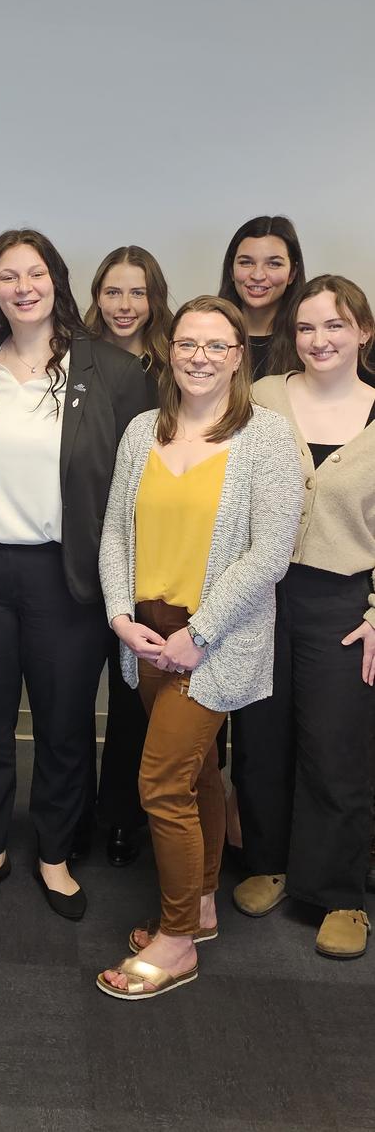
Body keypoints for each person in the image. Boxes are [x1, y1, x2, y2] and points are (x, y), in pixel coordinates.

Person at [0, 229, 148, 920]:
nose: (22, 287)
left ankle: (54, 854)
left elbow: (139, 485)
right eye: (7, 276)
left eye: (34, 273)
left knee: (62, 722)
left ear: (56, 279)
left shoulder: (110, 371)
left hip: (64, 574)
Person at [96, 296, 301, 998]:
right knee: (200, 773)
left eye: (218, 346)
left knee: (160, 782)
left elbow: (270, 553)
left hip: (212, 640)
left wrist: (199, 634)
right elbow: (115, 532)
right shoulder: (140, 432)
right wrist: (121, 616)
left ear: (240, 356)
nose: (201, 357)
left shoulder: (266, 437)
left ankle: (178, 937)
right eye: (188, 343)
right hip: (147, 636)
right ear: (169, 350)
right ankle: (205, 902)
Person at [233, 275, 375, 959]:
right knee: (260, 737)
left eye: (336, 326)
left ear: (364, 333)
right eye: (309, 328)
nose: (321, 341)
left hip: (343, 603)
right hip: (262, 592)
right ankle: (268, 861)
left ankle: (340, 892)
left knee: (335, 747)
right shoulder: (263, 398)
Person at [81, 244, 173, 866]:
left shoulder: (175, 366)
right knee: (88, 689)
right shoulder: (76, 360)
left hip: (158, 551)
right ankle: (100, 814)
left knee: (142, 689)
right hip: (88, 543)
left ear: (155, 298)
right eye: (113, 292)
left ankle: (139, 817)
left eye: (137, 292)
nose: (124, 305)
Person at [217, 214, 305, 379]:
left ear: (292, 273)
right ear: (231, 270)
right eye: (246, 262)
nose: (258, 275)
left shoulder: (310, 341)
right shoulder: (205, 335)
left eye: (274, 264)